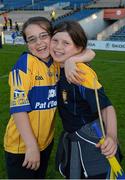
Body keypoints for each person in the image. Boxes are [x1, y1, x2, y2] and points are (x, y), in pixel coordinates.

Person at [4, 16, 95, 179]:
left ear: (53, 37)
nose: (39, 43)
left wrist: (72, 60)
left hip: (45, 143)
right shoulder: (24, 64)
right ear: (27, 44)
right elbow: (18, 109)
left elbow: (89, 52)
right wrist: (31, 146)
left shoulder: (56, 61)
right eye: (32, 39)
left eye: (44, 36)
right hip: (22, 146)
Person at [50, 20, 121, 179]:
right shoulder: (57, 65)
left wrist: (111, 136)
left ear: (78, 48)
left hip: (91, 141)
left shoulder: (81, 74)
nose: (58, 47)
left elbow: (106, 106)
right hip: (74, 138)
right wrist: (70, 59)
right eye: (55, 40)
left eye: (66, 43)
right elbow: (89, 51)